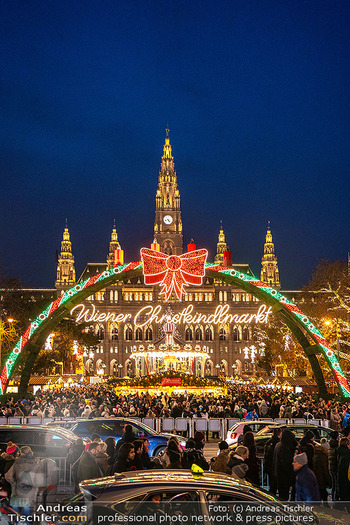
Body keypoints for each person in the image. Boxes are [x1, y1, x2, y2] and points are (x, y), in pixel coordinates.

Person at [5, 446, 40, 517]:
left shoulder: (17, 463)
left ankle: (18, 521)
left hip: (17, 489)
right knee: (28, 510)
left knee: (15, 509)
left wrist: (12, 482)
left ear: (21, 453)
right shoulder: (35, 463)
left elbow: (8, 476)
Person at [273, 429, 298, 501]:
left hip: (278, 476)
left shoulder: (278, 445)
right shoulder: (284, 448)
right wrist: (291, 478)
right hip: (284, 478)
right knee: (284, 497)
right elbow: (286, 465)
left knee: (282, 497)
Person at [263, 428, 282, 495]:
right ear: (279, 434)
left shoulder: (268, 442)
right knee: (278, 485)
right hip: (276, 467)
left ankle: (272, 498)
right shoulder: (279, 444)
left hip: (269, 466)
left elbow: (266, 455)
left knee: (272, 486)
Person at [336, 436, 350, 508]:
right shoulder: (347, 455)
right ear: (347, 445)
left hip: (340, 478)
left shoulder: (338, 451)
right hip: (346, 480)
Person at [328, 431, 339, 501]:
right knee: (336, 484)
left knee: (334, 484)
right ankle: (335, 499)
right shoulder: (336, 446)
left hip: (331, 467)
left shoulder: (331, 444)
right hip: (335, 467)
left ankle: (333, 498)